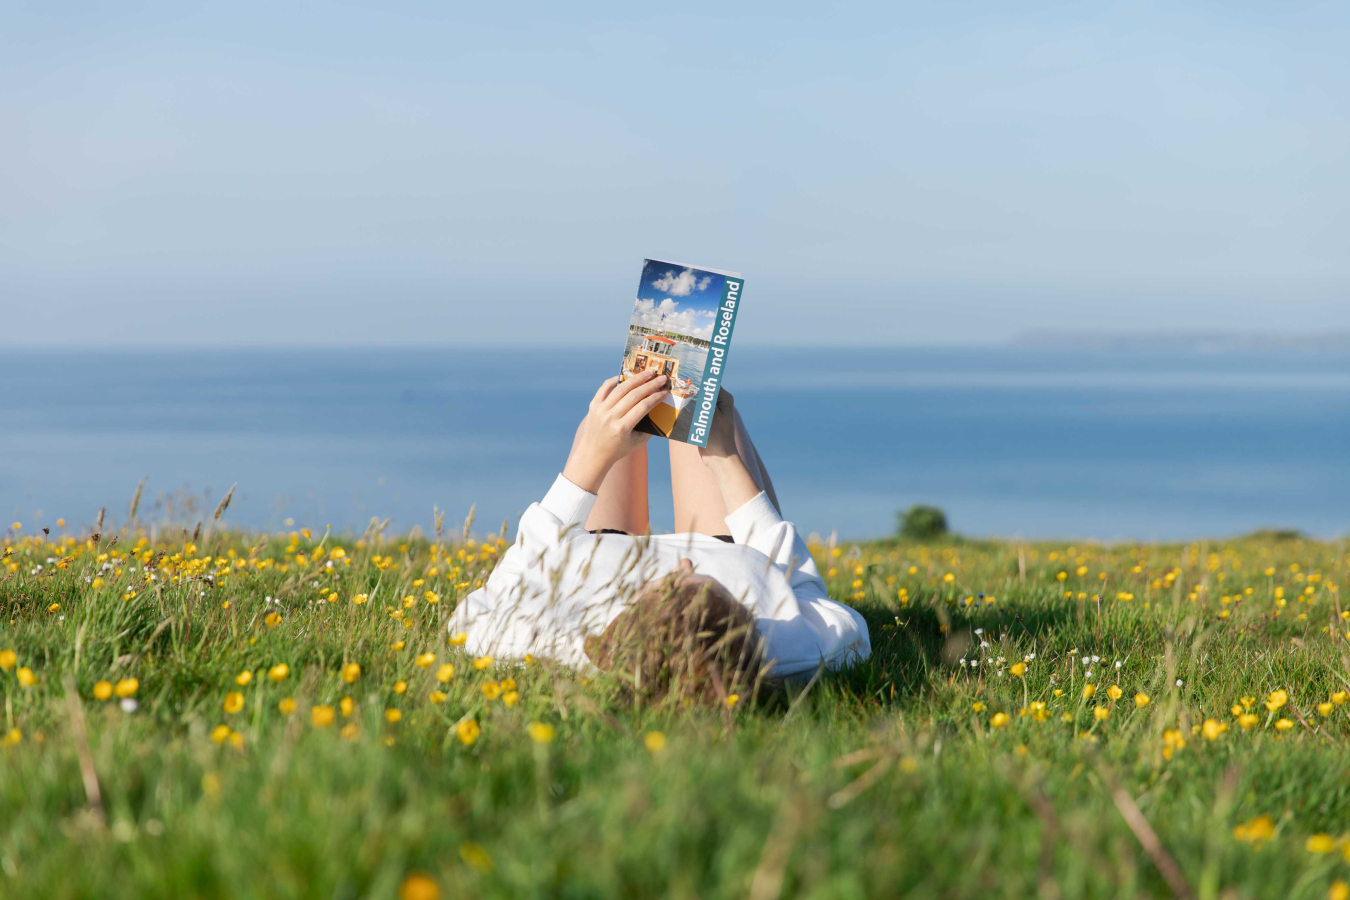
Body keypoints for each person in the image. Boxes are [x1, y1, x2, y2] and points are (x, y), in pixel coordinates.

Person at [445, 368, 871, 696]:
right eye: (704, 586)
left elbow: (489, 598)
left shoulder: (550, 643)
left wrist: (588, 461)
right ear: (752, 630)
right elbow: (804, 586)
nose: (682, 563)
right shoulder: (791, 648)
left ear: (608, 637)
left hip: (596, 547)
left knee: (614, 412)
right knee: (704, 412)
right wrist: (724, 460)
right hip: (727, 543)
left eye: (665, 585)